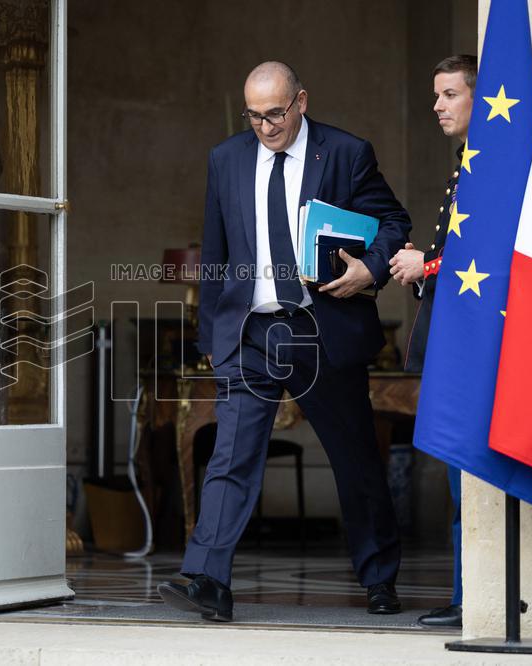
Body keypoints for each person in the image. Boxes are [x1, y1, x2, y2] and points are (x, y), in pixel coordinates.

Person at [157, 61, 411, 622]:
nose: (265, 127)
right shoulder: (226, 159)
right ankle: (207, 579)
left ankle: (379, 577)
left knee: (354, 458)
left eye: (275, 113)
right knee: (230, 455)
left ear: (300, 101)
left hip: (322, 329)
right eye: (255, 115)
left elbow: (393, 221)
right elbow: (216, 251)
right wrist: (212, 339)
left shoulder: (345, 153)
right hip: (251, 331)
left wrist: (371, 270)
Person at [389, 54, 478, 629]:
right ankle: (467, 593)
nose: (438, 106)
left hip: (472, 345)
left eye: (450, 94)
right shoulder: (466, 165)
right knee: (455, 472)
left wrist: (426, 264)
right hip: (454, 339)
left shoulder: (488, 165)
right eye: (436, 95)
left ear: (479, 96)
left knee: (465, 471)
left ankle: (474, 596)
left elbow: (485, 258)